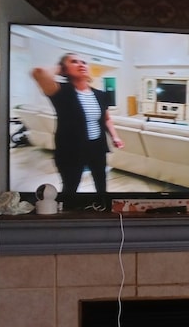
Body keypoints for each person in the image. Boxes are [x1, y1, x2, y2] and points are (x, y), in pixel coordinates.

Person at [31, 53, 124, 210]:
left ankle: (103, 209)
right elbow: (39, 72)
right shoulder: (60, 91)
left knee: (101, 183)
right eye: (74, 62)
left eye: (83, 62)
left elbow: (106, 118)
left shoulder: (100, 95)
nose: (81, 65)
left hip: (97, 146)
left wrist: (115, 137)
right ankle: (68, 216)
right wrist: (61, 69)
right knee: (71, 186)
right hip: (71, 149)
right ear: (65, 69)